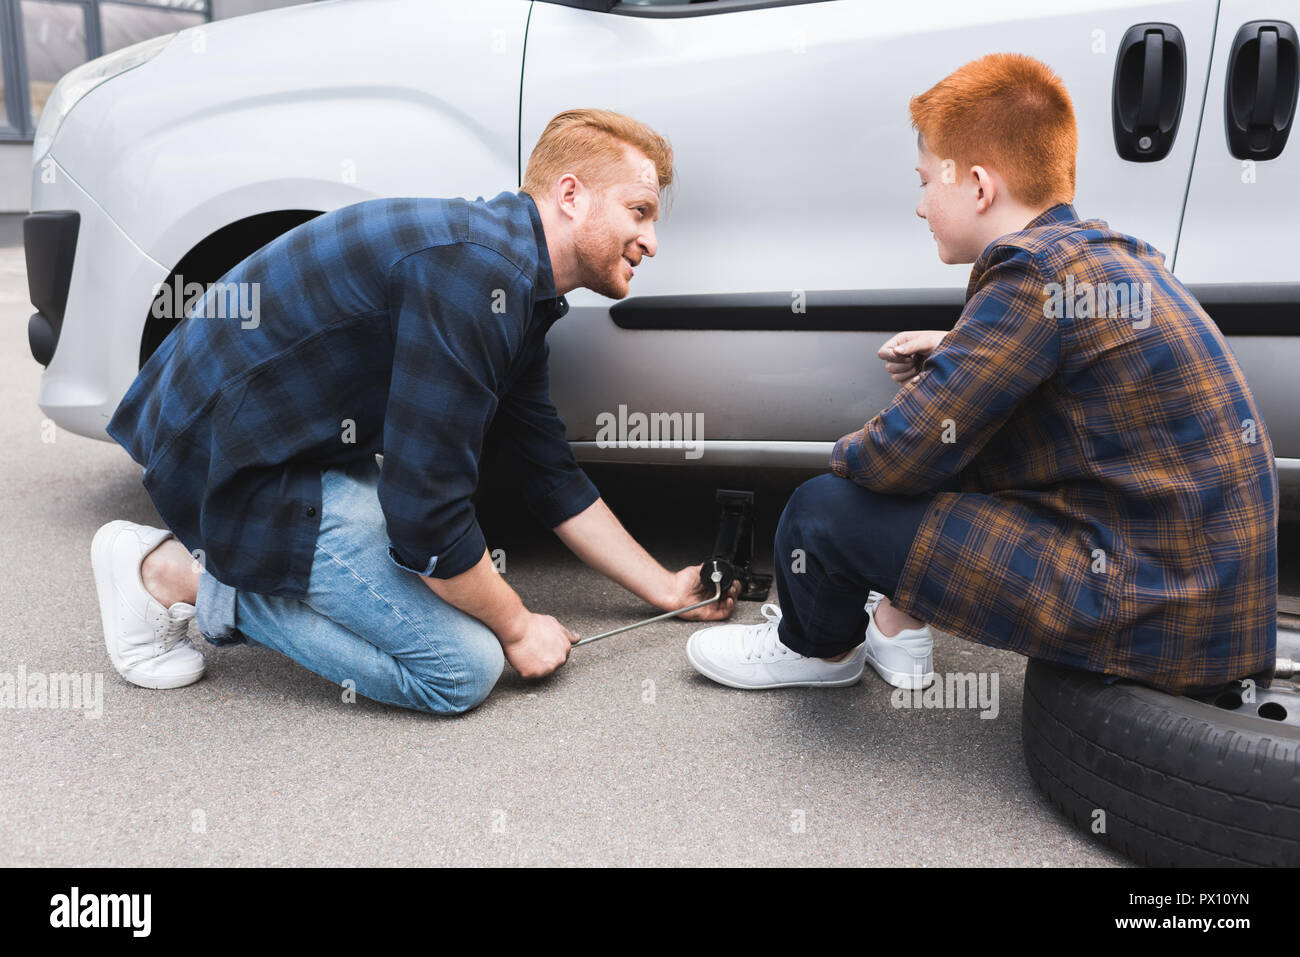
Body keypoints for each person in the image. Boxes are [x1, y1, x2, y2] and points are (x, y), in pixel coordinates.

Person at [93, 108, 739, 714]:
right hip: (232, 457)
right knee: (462, 668)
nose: (651, 242)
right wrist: (517, 625)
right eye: (640, 212)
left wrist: (663, 588)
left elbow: (549, 475)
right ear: (571, 196)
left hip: (289, 443)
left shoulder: (510, 282)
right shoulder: (479, 278)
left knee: (462, 600)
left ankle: (216, 561)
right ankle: (167, 572)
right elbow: (425, 518)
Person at [687, 53, 1278, 697]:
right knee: (977, 442)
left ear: (976, 185)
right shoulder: (1109, 255)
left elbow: (897, 456)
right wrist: (958, 347)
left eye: (923, 183)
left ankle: (815, 651)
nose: (919, 207)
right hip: (1215, 614)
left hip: (1146, 615)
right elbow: (1074, 370)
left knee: (823, 510)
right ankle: (898, 621)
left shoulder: (1031, 273)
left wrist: (851, 460)